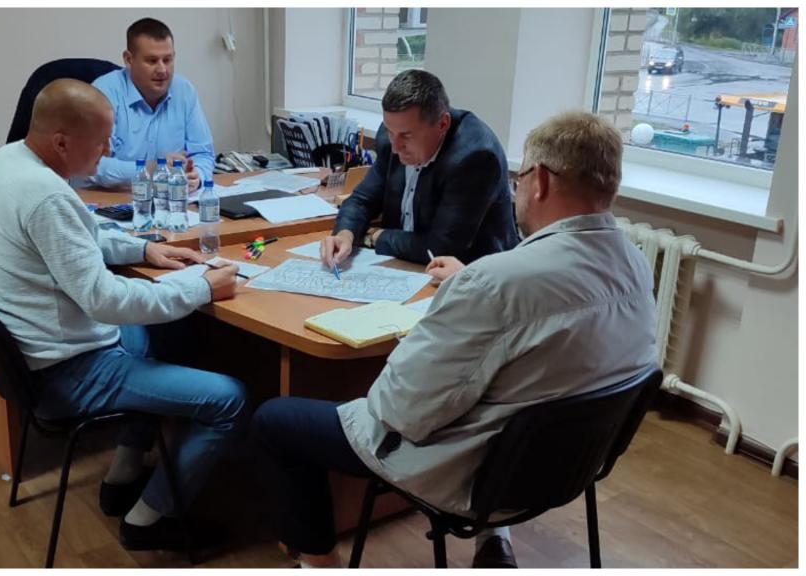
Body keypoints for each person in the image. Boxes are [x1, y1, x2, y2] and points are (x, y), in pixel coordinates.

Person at [254, 111, 658, 568]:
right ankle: (494, 542)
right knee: (501, 383)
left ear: (541, 180)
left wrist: (459, 305)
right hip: (570, 469)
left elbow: (398, 410)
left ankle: (320, 565)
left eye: (521, 178)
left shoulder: (496, 283)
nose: (517, 190)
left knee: (276, 421)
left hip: (480, 477)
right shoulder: (635, 264)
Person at [0, 78, 245, 551]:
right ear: (62, 142)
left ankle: (124, 473)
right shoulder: (45, 195)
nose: (110, 150)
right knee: (229, 399)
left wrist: (145, 249)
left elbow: (81, 232)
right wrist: (202, 287)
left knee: (159, 334)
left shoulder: (11, 160)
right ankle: (148, 520)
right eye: (101, 141)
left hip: (47, 348)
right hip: (68, 371)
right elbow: (106, 301)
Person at [320, 69, 519, 267]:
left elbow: (441, 248)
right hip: (402, 263)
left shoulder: (475, 157)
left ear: (443, 124)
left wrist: (375, 237)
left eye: (407, 136)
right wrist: (345, 234)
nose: (396, 147)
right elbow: (362, 200)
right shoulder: (393, 136)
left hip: (471, 274)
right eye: (390, 132)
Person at [84, 17, 213, 194]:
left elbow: (203, 153)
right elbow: (91, 164)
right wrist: (150, 169)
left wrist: (197, 175)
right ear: (129, 59)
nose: (162, 70)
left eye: (167, 60)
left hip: (170, 200)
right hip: (110, 199)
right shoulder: (104, 92)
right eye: (152, 61)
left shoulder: (184, 91)